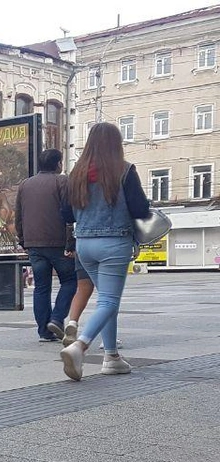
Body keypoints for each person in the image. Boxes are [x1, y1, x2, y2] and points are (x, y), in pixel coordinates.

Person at [59, 122, 150, 381]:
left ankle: (112, 357)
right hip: (114, 242)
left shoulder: (76, 173)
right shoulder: (124, 169)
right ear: (116, 143)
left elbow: (66, 213)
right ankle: (80, 346)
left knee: (107, 302)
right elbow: (140, 209)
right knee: (109, 300)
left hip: (84, 245)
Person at [16, 149, 76, 342]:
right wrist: (71, 242)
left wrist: (23, 240)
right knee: (70, 281)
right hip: (57, 242)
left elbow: (18, 215)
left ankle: (44, 331)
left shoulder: (25, 184)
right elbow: (69, 213)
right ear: (58, 164)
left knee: (41, 287)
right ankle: (57, 319)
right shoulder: (62, 181)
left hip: (33, 244)